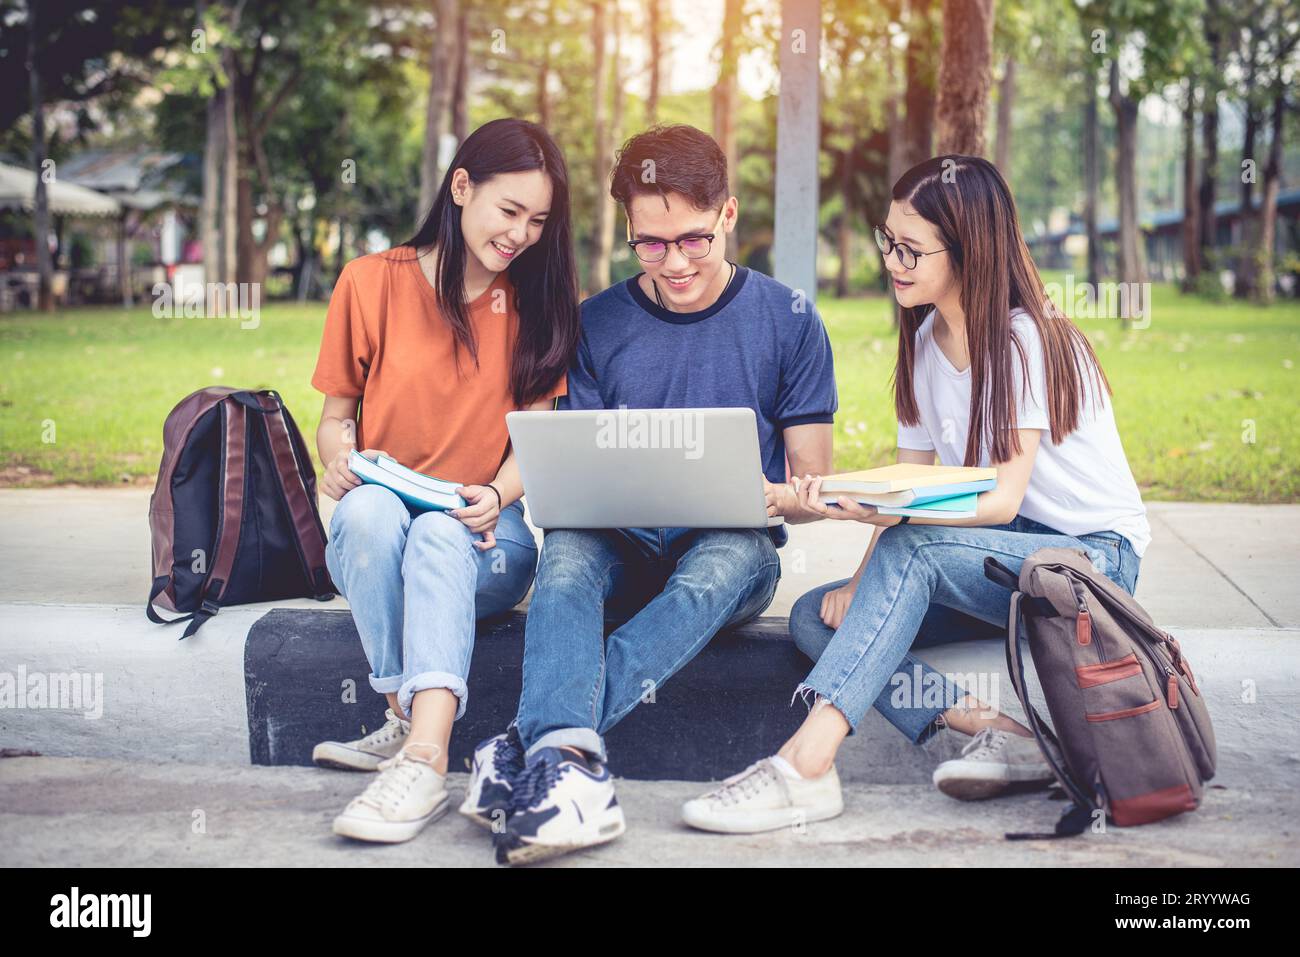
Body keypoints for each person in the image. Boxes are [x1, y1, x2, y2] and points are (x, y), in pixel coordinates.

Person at [682, 154, 1150, 834]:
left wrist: (879, 517)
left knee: (915, 549)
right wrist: (845, 531)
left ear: (969, 252)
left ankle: (805, 765)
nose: (892, 261)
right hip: (1004, 559)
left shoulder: (1026, 340)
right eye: (888, 241)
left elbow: (997, 500)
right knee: (820, 615)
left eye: (911, 249)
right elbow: (912, 484)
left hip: (1090, 565)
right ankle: (1000, 731)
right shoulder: (928, 339)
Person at [466, 124, 838, 865]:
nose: (676, 264)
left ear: (728, 213)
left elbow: (810, 486)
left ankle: (536, 749)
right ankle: (567, 769)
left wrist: (775, 494)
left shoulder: (788, 319)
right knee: (566, 553)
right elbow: (581, 468)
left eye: (695, 239)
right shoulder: (597, 322)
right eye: (652, 245)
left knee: (717, 566)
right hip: (623, 542)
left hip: (733, 548)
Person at [308, 118, 579, 844]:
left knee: (436, 528)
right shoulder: (369, 283)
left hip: (489, 538)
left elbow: (536, 441)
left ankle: (420, 755)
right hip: (379, 534)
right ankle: (407, 718)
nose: (521, 234)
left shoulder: (534, 305)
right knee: (366, 511)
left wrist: (497, 493)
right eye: (509, 210)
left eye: (538, 220)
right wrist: (338, 455)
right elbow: (334, 420)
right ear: (462, 187)